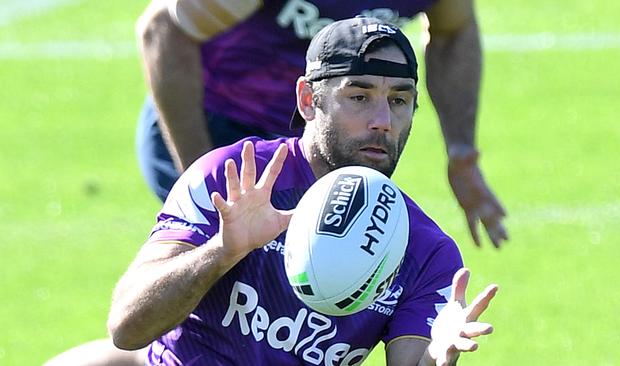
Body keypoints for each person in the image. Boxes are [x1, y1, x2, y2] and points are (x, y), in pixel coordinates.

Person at [108, 17, 498, 365]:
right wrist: (221, 252)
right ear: (308, 101)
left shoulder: (425, 252)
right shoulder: (232, 178)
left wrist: (435, 355)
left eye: (399, 101)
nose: (382, 121)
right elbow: (127, 328)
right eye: (359, 97)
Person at [136, 0, 508, 248]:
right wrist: (205, 179)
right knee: (233, 310)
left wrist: (462, 154)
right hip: (220, 131)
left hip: (324, 147)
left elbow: (453, 31)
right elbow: (163, 31)